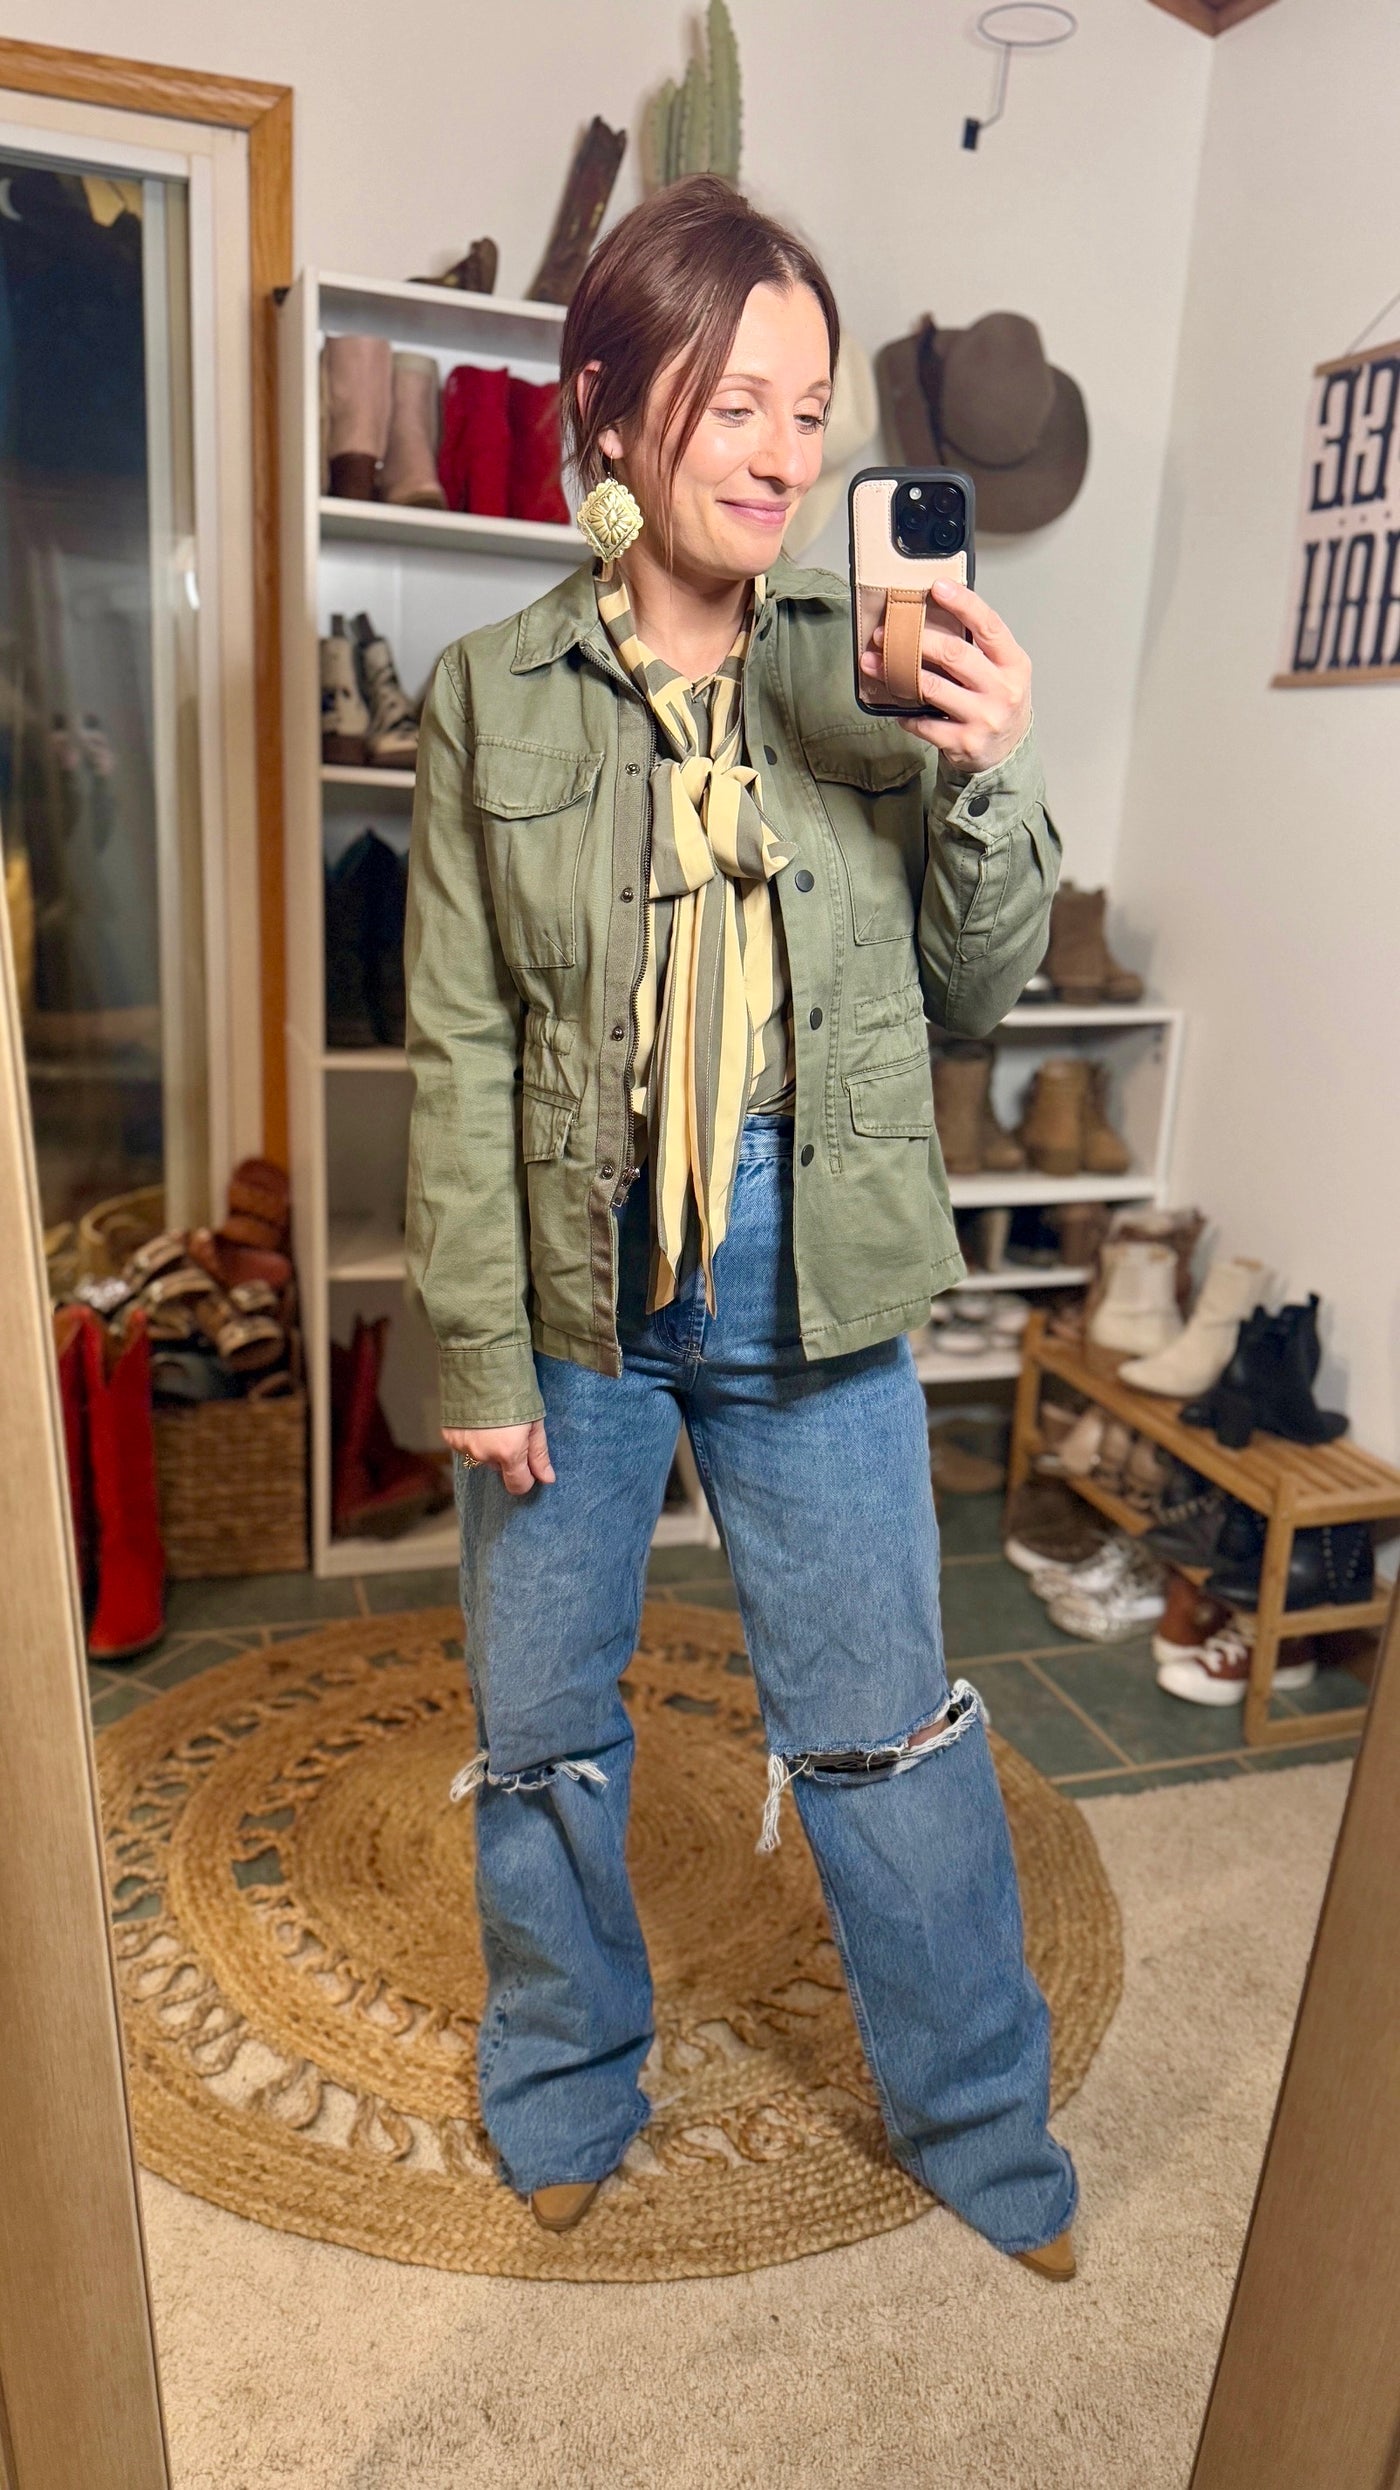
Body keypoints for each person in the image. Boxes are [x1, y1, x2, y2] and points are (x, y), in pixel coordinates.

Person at [404, 175, 1076, 2277]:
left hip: (815, 1244)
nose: (787, 458)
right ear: (605, 408)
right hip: (566, 1258)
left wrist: (985, 780)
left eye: (810, 412)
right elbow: (453, 1046)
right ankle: (563, 2084)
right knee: (539, 1735)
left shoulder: (861, 670)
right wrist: (481, 1348)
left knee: (881, 1717)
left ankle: (977, 2124)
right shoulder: (487, 694)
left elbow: (975, 996)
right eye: (734, 406)